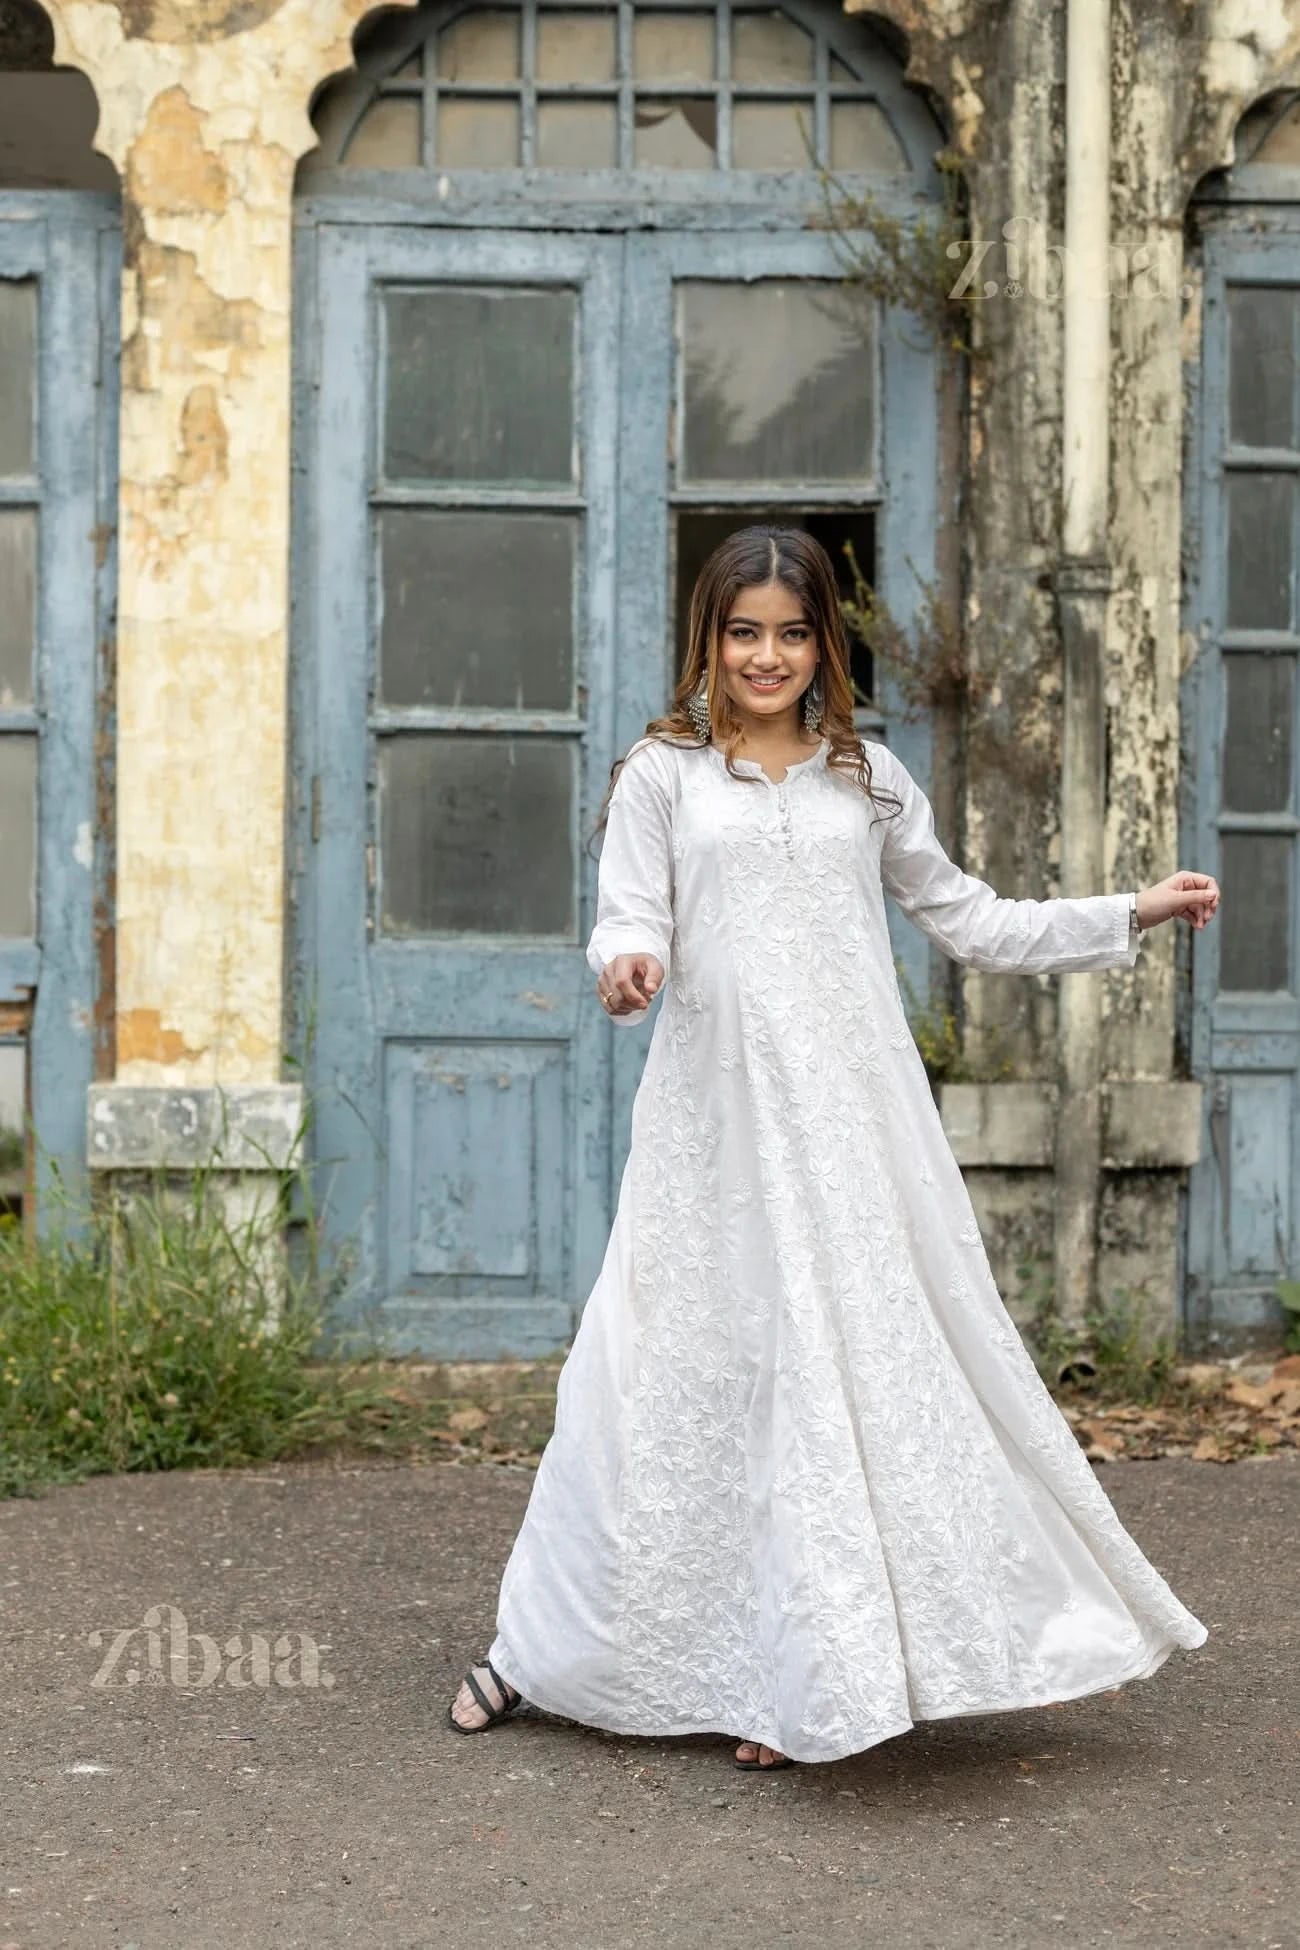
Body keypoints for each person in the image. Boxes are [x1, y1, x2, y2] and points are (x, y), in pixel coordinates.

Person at [447, 524, 1217, 1770]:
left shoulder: (866, 779)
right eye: (743, 631)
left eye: (791, 632)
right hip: (717, 1132)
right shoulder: (663, 774)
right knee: (659, 1371)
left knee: (839, 1376)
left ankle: (806, 1676)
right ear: (709, 636)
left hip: (854, 1132)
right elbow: (629, 911)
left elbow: (969, 918)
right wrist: (627, 963)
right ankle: (540, 1651)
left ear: (823, 646)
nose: (766, 655)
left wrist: (1126, 911)